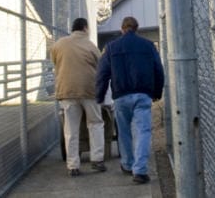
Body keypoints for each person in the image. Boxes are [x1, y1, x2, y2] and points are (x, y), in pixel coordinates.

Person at [96, 16, 164, 185]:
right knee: (143, 131)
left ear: (122, 28)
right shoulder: (148, 46)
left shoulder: (111, 47)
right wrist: (157, 92)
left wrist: (99, 96)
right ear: (137, 28)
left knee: (124, 131)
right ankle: (140, 170)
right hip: (143, 94)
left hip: (121, 95)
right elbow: (158, 70)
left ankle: (127, 164)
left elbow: (102, 74)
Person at [50, 17, 106, 176]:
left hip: (67, 91)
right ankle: (97, 160)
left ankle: (73, 166)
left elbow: (55, 62)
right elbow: (100, 66)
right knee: (95, 124)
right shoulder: (91, 45)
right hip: (89, 90)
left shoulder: (58, 44)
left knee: (70, 130)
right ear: (85, 28)